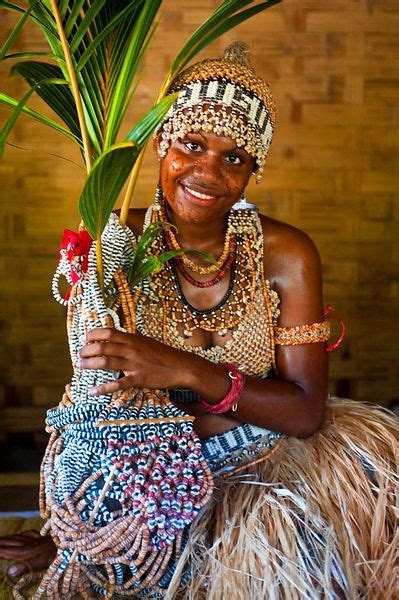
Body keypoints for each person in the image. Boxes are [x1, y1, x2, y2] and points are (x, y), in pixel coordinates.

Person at [0, 43, 397, 599]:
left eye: (234, 157)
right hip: (151, 489)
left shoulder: (287, 254)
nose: (208, 171)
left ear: (253, 171)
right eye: (192, 144)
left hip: (268, 466)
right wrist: (80, 545)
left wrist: (182, 369)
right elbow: (98, 420)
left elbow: (305, 411)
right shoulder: (114, 244)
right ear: (161, 144)